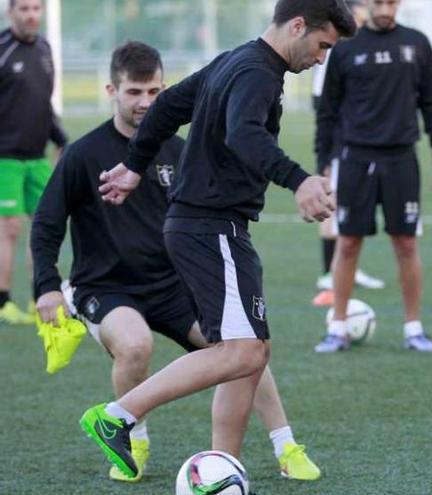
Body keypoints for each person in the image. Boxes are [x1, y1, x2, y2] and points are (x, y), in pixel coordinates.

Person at [78, 0, 355, 480]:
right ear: (296, 26)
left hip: (210, 225)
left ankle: (221, 467)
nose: (321, 57)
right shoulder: (257, 73)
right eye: (322, 44)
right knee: (242, 352)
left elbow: (166, 107)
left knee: (250, 352)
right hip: (210, 225)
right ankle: (118, 415)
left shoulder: (235, 59)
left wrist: (135, 165)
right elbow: (244, 135)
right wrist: (299, 180)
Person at [31, 41, 321, 483]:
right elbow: (48, 223)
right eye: (134, 92)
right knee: (137, 345)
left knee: (245, 351)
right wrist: (47, 284)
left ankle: (279, 447)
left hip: (171, 284)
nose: (145, 102)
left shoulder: (178, 149)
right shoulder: (83, 153)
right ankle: (131, 436)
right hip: (107, 288)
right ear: (113, 90)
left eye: (153, 92)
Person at [314, 0, 432, 353]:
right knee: (348, 243)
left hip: (401, 158)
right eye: (378, 2)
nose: (385, 7)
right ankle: (338, 327)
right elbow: (328, 109)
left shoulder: (417, 43)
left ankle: (413, 329)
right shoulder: (345, 48)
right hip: (355, 158)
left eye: (391, 1)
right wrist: (323, 160)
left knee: (406, 244)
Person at [310, 0, 384, 307]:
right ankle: (329, 273)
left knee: (350, 209)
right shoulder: (334, 49)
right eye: (363, 11)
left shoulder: (358, 48)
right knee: (334, 203)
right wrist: (332, 145)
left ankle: (346, 270)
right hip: (343, 142)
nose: (368, 17)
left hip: (359, 142)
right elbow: (323, 101)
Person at [0, 0, 66, 325]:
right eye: (23, 8)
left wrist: (61, 138)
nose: (31, 15)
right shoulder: (2, 49)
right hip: (5, 159)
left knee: (43, 226)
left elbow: (43, 103)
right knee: (9, 228)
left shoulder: (44, 48)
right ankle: (2, 302)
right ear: (10, 12)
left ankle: (39, 297)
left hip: (38, 156)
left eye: (36, 9)